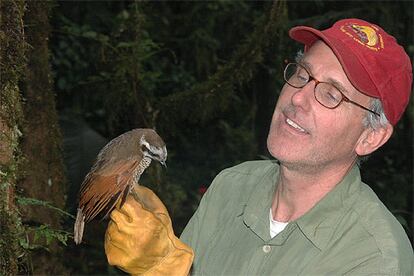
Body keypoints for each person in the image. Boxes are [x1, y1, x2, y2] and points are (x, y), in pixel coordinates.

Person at [104, 18, 413, 275]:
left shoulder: (374, 256)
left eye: (332, 94)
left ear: (370, 137)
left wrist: (163, 268)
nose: (298, 97)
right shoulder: (232, 186)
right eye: (303, 74)